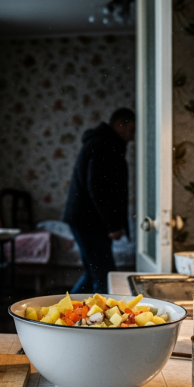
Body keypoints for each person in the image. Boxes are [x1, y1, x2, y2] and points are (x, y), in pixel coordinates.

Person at [61, 108, 135, 294]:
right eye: (131, 130)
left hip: (86, 220)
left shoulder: (104, 142)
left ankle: (65, 310)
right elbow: (98, 187)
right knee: (104, 276)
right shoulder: (105, 144)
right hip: (89, 222)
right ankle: (69, 311)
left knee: (96, 273)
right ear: (119, 124)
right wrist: (113, 225)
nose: (133, 136)